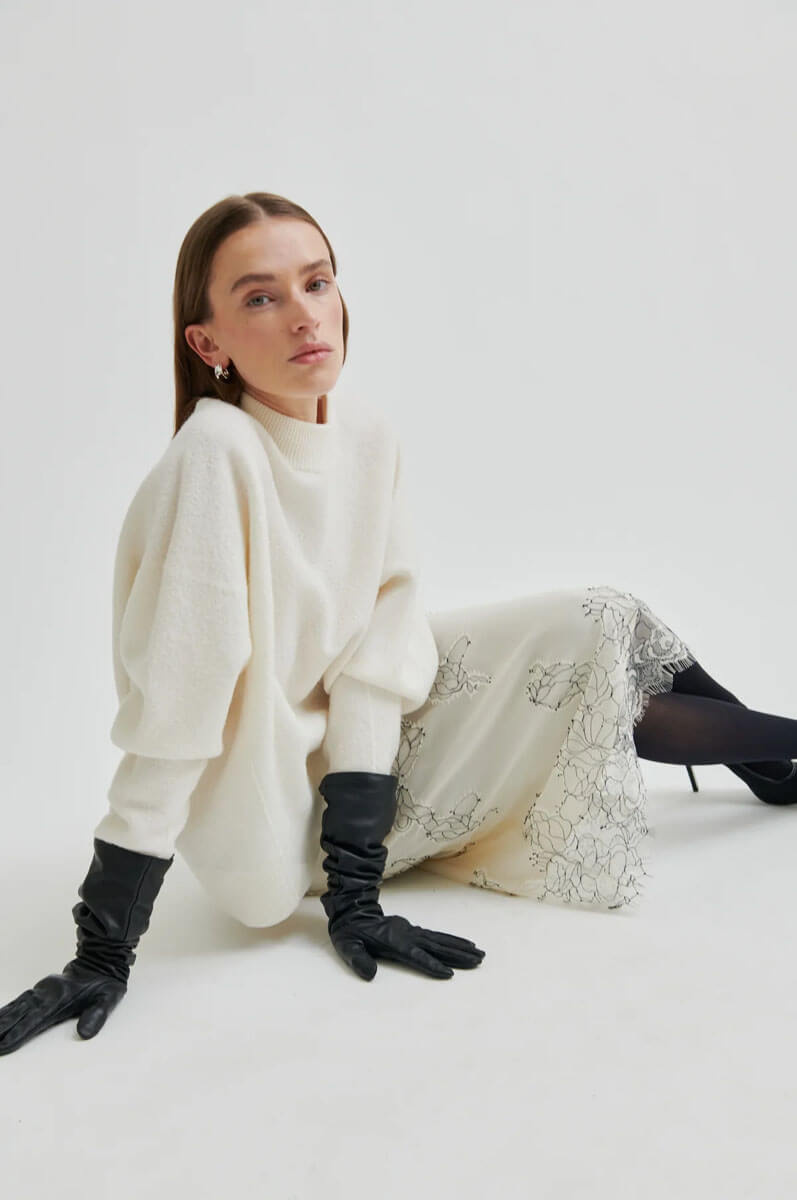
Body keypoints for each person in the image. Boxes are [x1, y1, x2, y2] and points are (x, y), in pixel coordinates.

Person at [2, 192, 796, 1057]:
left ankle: (770, 760)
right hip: (274, 818)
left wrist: (357, 886)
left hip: (358, 774)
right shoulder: (215, 457)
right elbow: (177, 714)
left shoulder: (366, 436)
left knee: (597, 615)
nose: (305, 315)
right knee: (577, 668)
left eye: (317, 283)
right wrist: (102, 950)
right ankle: (772, 756)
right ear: (207, 343)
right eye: (261, 297)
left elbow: (377, 660)